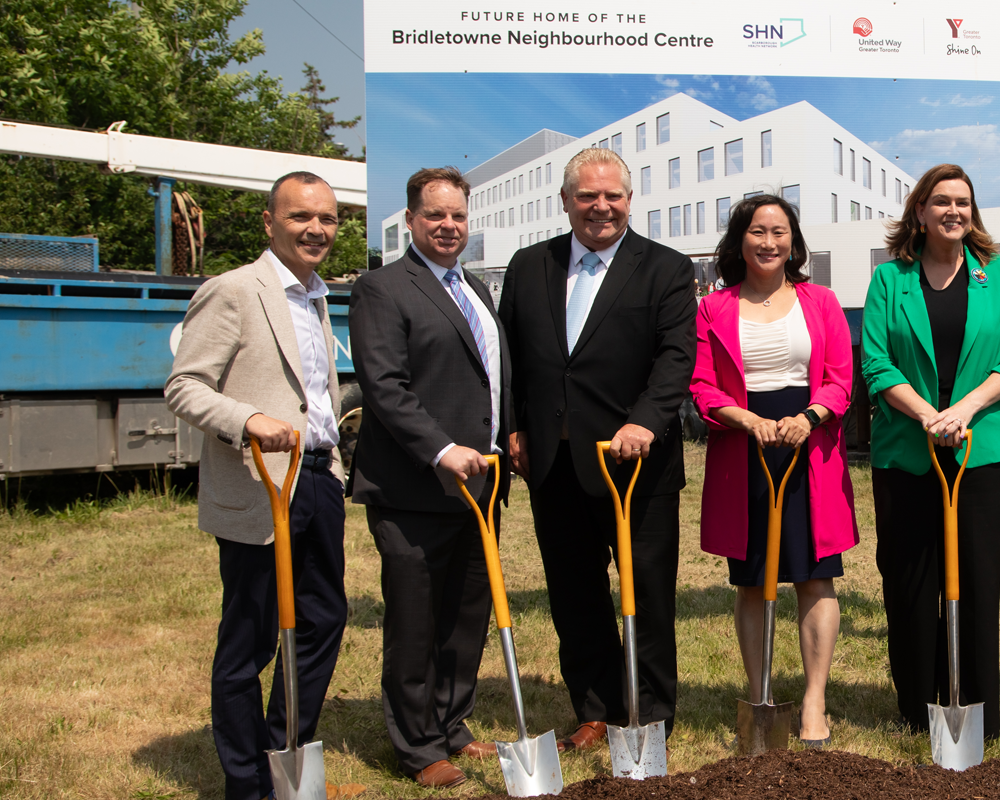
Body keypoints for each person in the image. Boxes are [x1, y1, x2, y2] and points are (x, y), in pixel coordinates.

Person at [498, 147, 696, 753]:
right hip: (554, 464)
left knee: (648, 593)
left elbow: (675, 359)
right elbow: (508, 357)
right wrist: (513, 428)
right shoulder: (530, 265)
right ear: (565, 202)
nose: (601, 207)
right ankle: (594, 707)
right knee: (574, 593)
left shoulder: (664, 267)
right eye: (587, 196)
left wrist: (645, 423)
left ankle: (649, 713)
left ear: (629, 201)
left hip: (635, 465)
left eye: (612, 195)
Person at [165, 172, 351, 800]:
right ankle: (246, 782)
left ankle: (281, 750)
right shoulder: (235, 291)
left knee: (324, 618)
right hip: (261, 483)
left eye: (326, 218)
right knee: (250, 637)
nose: (316, 228)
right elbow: (185, 386)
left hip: (319, 479)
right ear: (269, 223)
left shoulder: (318, 296)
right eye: (301, 216)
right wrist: (247, 419)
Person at [348, 166, 512, 788]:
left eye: (459, 216)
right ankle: (417, 745)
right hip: (414, 487)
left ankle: (452, 723)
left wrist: (509, 436)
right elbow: (385, 387)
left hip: (479, 486)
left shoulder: (475, 290)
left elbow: (492, 379)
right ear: (411, 220)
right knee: (416, 618)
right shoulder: (383, 289)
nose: (449, 226)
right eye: (436, 215)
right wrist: (442, 448)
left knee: (467, 613)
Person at [860, 164, 1000, 741]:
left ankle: (976, 709)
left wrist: (962, 411)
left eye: (962, 202)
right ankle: (918, 708)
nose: (953, 211)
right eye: (941, 202)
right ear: (920, 212)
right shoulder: (891, 280)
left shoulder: (999, 274)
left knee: (977, 580)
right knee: (911, 580)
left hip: (980, 453)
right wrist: (927, 415)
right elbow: (877, 363)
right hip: (907, 455)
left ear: (972, 212)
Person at [690, 195, 857, 746]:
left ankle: (813, 703)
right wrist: (744, 418)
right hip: (745, 449)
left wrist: (810, 418)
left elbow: (839, 377)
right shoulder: (713, 308)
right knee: (751, 581)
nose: (768, 242)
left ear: (793, 240)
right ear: (740, 240)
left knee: (815, 575)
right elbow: (703, 385)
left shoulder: (821, 300)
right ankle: (760, 692)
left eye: (779, 232)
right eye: (757, 231)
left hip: (807, 447)